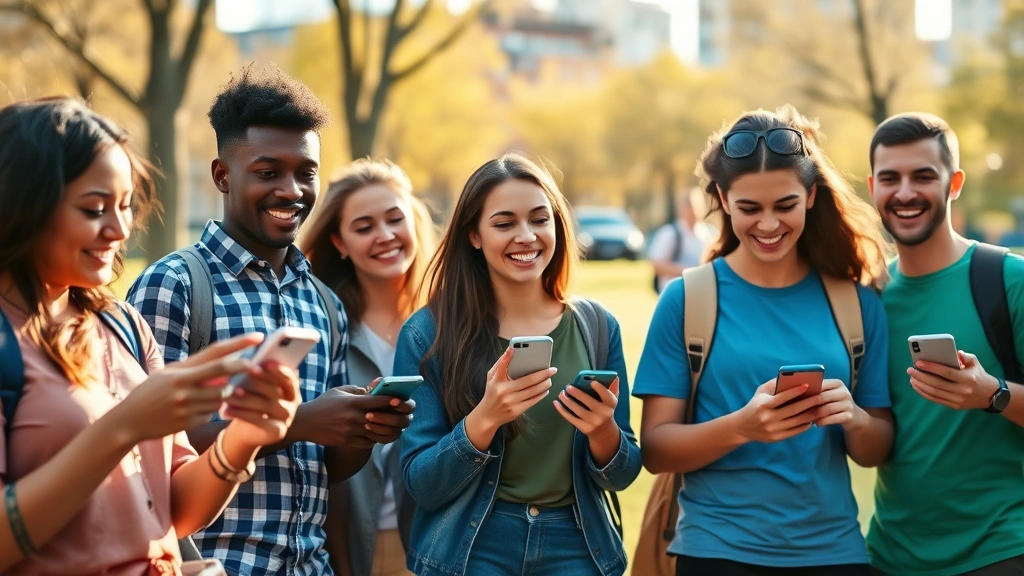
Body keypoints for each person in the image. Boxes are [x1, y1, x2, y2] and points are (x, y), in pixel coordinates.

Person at [127, 65, 414, 575]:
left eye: (305, 172)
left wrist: (361, 429)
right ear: (222, 175)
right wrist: (300, 421)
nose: (291, 189)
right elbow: (145, 451)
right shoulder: (174, 285)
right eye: (267, 173)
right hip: (219, 565)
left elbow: (331, 469)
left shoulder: (324, 303)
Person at [0, 97, 302, 574]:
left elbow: (175, 510)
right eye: (94, 208)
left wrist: (245, 436)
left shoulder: (124, 326)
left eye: (124, 205)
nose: (119, 229)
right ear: (24, 206)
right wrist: (123, 427)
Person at [634, 105, 894, 576]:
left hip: (834, 555)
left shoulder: (857, 303)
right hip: (716, 553)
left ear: (811, 196)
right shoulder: (687, 299)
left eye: (785, 206)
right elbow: (654, 450)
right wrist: (743, 427)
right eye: (750, 208)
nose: (769, 225)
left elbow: (875, 450)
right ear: (723, 198)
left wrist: (853, 417)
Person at [394, 152, 642, 576]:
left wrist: (603, 431)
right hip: (475, 546)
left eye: (539, 219)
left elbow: (622, 474)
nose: (526, 236)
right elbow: (422, 484)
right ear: (474, 235)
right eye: (504, 223)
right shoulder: (428, 334)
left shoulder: (598, 327)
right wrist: (485, 419)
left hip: (576, 544)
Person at [864, 112, 1024, 576]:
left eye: (923, 176)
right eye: (891, 178)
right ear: (873, 186)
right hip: (889, 557)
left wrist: (992, 394)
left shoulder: (1008, 279)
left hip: (998, 552)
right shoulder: (867, 296)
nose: (906, 192)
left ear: (954, 184)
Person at [298, 158, 436, 576]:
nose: (385, 236)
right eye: (364, 227)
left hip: (441, 543)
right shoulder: (322, 327)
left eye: (395, 219)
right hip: (355, 546)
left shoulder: (449, 323)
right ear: (339, 242)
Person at [648, 187, 715, 293]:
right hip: (675, 293)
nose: (694, 211)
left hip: (700, 293)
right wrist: (689, 272)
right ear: (682, 209)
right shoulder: (670, 233)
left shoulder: (708, 234)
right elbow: (657, 265)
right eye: (691, 207)